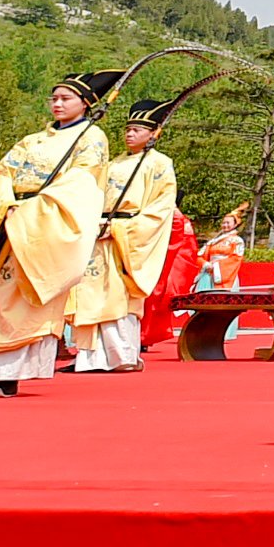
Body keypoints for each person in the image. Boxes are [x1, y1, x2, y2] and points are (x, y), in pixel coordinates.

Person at [0, 71, 118, 397]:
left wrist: (36, 208)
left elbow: (83, 182)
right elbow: (2, 172)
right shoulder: (32, 140)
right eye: (53, 98)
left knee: (23, 301)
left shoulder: (91, 138)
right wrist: (6, 202)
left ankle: (7, 377)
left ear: (85, 103)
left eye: (65, 98)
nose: (57, 103)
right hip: (9, 218)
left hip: (42, 226)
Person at [66, 97, 183, 373]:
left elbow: (160, 209)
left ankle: (122, 357)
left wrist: (120, 229)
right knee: (90, 295)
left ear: (154, 133)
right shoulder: (113, 164)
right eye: (128, 129)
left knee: (118, 297)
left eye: (138, 130)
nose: (130, 134)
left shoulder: (160, 164)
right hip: (99, 234)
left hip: (125, 238)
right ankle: (88, 358)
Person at [142, 211, 199, 350]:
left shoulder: (178, 218)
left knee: (157, 298)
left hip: (168, 261)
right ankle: (143, 337)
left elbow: (186, 248)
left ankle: (144, 337)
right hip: (156, 258)